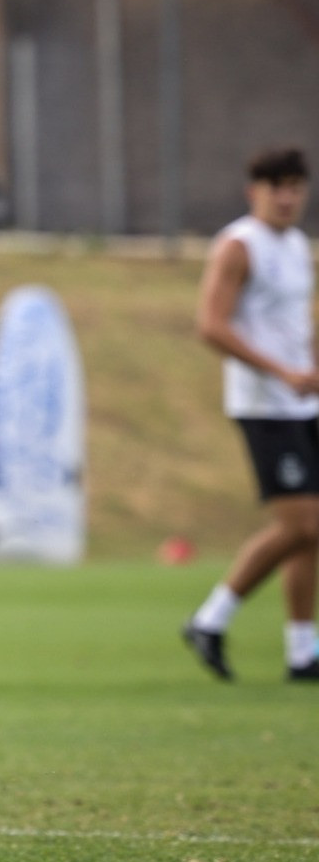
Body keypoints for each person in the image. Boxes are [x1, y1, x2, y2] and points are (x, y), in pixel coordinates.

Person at [184, 147, 319, 683]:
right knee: (305, 522)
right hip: (264, 407)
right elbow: (211, 326)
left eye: (295, 187)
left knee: (312, 534)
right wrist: (279, 372)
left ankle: (301, 651)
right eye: (275, 187)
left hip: (305, 403)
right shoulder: (239, 247)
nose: (286, 198)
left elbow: (296, 323)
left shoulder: (296, 246)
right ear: (253, 191)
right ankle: (209, 619)